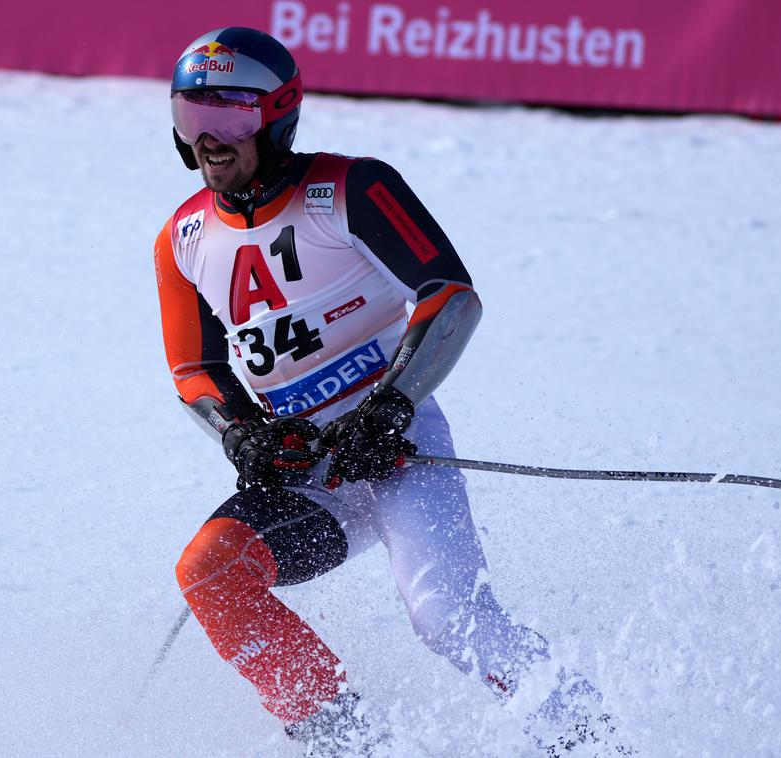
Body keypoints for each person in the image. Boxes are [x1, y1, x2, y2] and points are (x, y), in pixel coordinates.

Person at [154, 27, 623, 756]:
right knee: (209, 576)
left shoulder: (349, 189)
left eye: (233, 116)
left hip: (400, 450)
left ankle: (589, 738)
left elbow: (450, 297)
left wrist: (390, 408)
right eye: (192, 117)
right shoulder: (181, 237)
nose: (210, 139)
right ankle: (348, 743)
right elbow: (195, 371)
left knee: (448, 621)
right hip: (307, 469)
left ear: (279, 114)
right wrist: (241, 432)